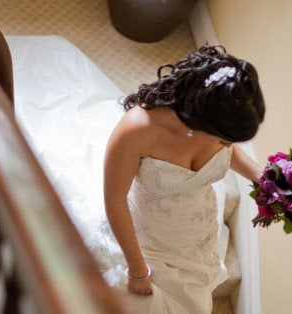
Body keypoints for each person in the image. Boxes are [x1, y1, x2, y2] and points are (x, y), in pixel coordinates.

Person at [103, 45, 266, 313]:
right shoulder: (137, 130)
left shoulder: (212, 130)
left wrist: (262, 178)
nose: (226, 146)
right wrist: (136, 268)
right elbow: (114, 199)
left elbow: (227, 150)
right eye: (223, 139)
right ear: (202, 119)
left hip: (196, 231)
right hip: (147, 238)